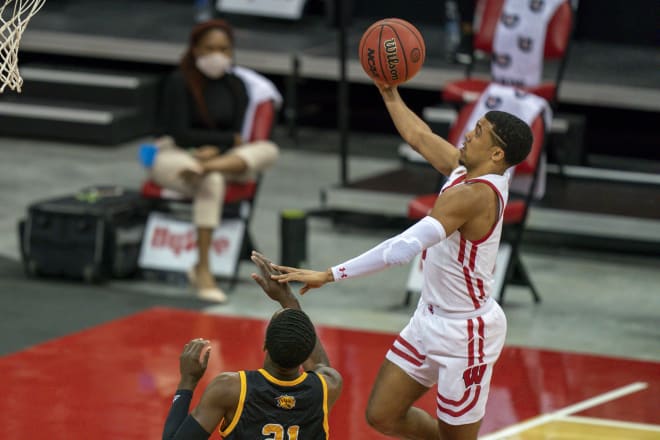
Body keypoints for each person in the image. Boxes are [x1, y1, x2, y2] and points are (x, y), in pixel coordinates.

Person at [270, 82, 533, 440]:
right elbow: (419, 135)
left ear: (497, 154)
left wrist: (330, 274)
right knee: (382, 414)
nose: (468, 134)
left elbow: (401, 248)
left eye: (479, 131)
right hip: (429, 318)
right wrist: (389, 91)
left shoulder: (476, 196)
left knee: (459, 436)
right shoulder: (463, 170)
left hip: (466, 332)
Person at [150, 19, 281, 303]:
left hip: (215, 160)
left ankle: (208, 169)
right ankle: (203, 268)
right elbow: (180, 133)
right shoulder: (178, 81)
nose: (217, 55)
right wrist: (210, 147)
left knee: (268, 149)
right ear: (196, 49)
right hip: (176, 155)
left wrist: (215, 153)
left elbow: (236, 135)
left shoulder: (236, 85)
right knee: (212, 181)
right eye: (210, 48)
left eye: (223, 49)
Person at [161, 251, 343, 439]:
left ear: (265, 344)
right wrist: (289, 299)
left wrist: (187, 381)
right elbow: (320, 363)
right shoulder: (328, 386)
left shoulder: (231, 389)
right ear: (306, 353)